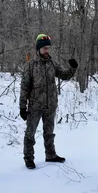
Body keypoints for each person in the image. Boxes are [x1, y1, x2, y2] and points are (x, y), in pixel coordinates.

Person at [19, 34, 78, 169]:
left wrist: (73, 68)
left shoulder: (52, 63)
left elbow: (64, 75)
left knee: (49, 132)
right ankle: (28, 158)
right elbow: (24, 87)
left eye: (48, 48)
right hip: (35, 106)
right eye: (44, 48)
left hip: (50, 105)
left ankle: (50, 154)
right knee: (30, 133)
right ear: (38, 48)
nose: (47, 50)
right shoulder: (30, 65)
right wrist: (22, 106)